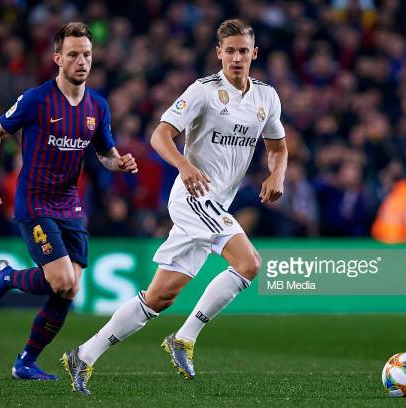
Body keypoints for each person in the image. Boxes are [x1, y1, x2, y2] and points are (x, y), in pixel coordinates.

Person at [61, 19, 288, 394]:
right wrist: (184, 165)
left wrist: (277, 175)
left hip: (217, 203)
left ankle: (83, 355)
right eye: (229, 51)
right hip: (193, 198)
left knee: (159, 297)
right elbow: (159, 135)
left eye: (243, 51)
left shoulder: (267, 98)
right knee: (248, 263)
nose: (235, 57)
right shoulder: (202, 92)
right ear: (218, 53)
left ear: (254, 53)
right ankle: (184, 338)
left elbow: (278, 147)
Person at [0, 22, 138, 380]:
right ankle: (6, 277)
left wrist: (120, 163)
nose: (82, 61)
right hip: (35, 202)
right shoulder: (37, 99)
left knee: (69, 290)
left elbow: (105, 154)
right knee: (62, 278)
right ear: (57, 58)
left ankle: (25, 362)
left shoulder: (97, 105)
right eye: (73, 55)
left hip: (70, 205)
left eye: (87, 55)